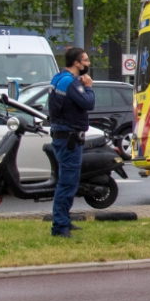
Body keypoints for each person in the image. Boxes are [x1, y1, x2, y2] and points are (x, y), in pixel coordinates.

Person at [48, 47, 95, 238]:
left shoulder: (57, 78)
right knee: (67, 183)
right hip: (69, 138)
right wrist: (89, 87)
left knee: (67, 181)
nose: (88, 64)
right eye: (85, 60)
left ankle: (64, 220)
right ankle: (60, 226)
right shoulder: (70, 82)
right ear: (76, 63)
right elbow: (88, 103)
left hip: (62, 136)